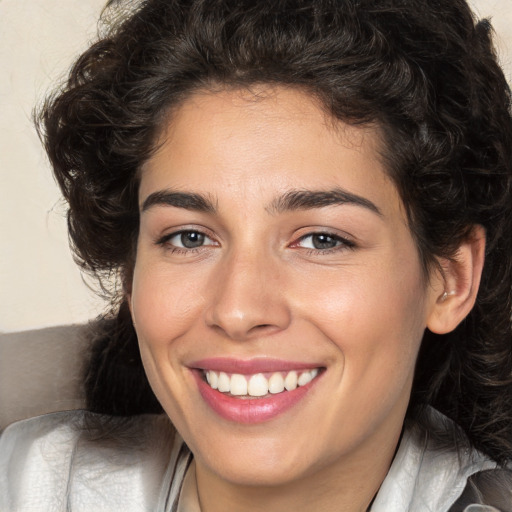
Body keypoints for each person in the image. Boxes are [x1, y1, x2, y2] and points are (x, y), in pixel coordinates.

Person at [1, 0, 512, 510]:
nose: (238, 310)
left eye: (321, 240)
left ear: (451, 279)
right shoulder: (26, 483)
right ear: (132, 276)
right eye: (189, 238)